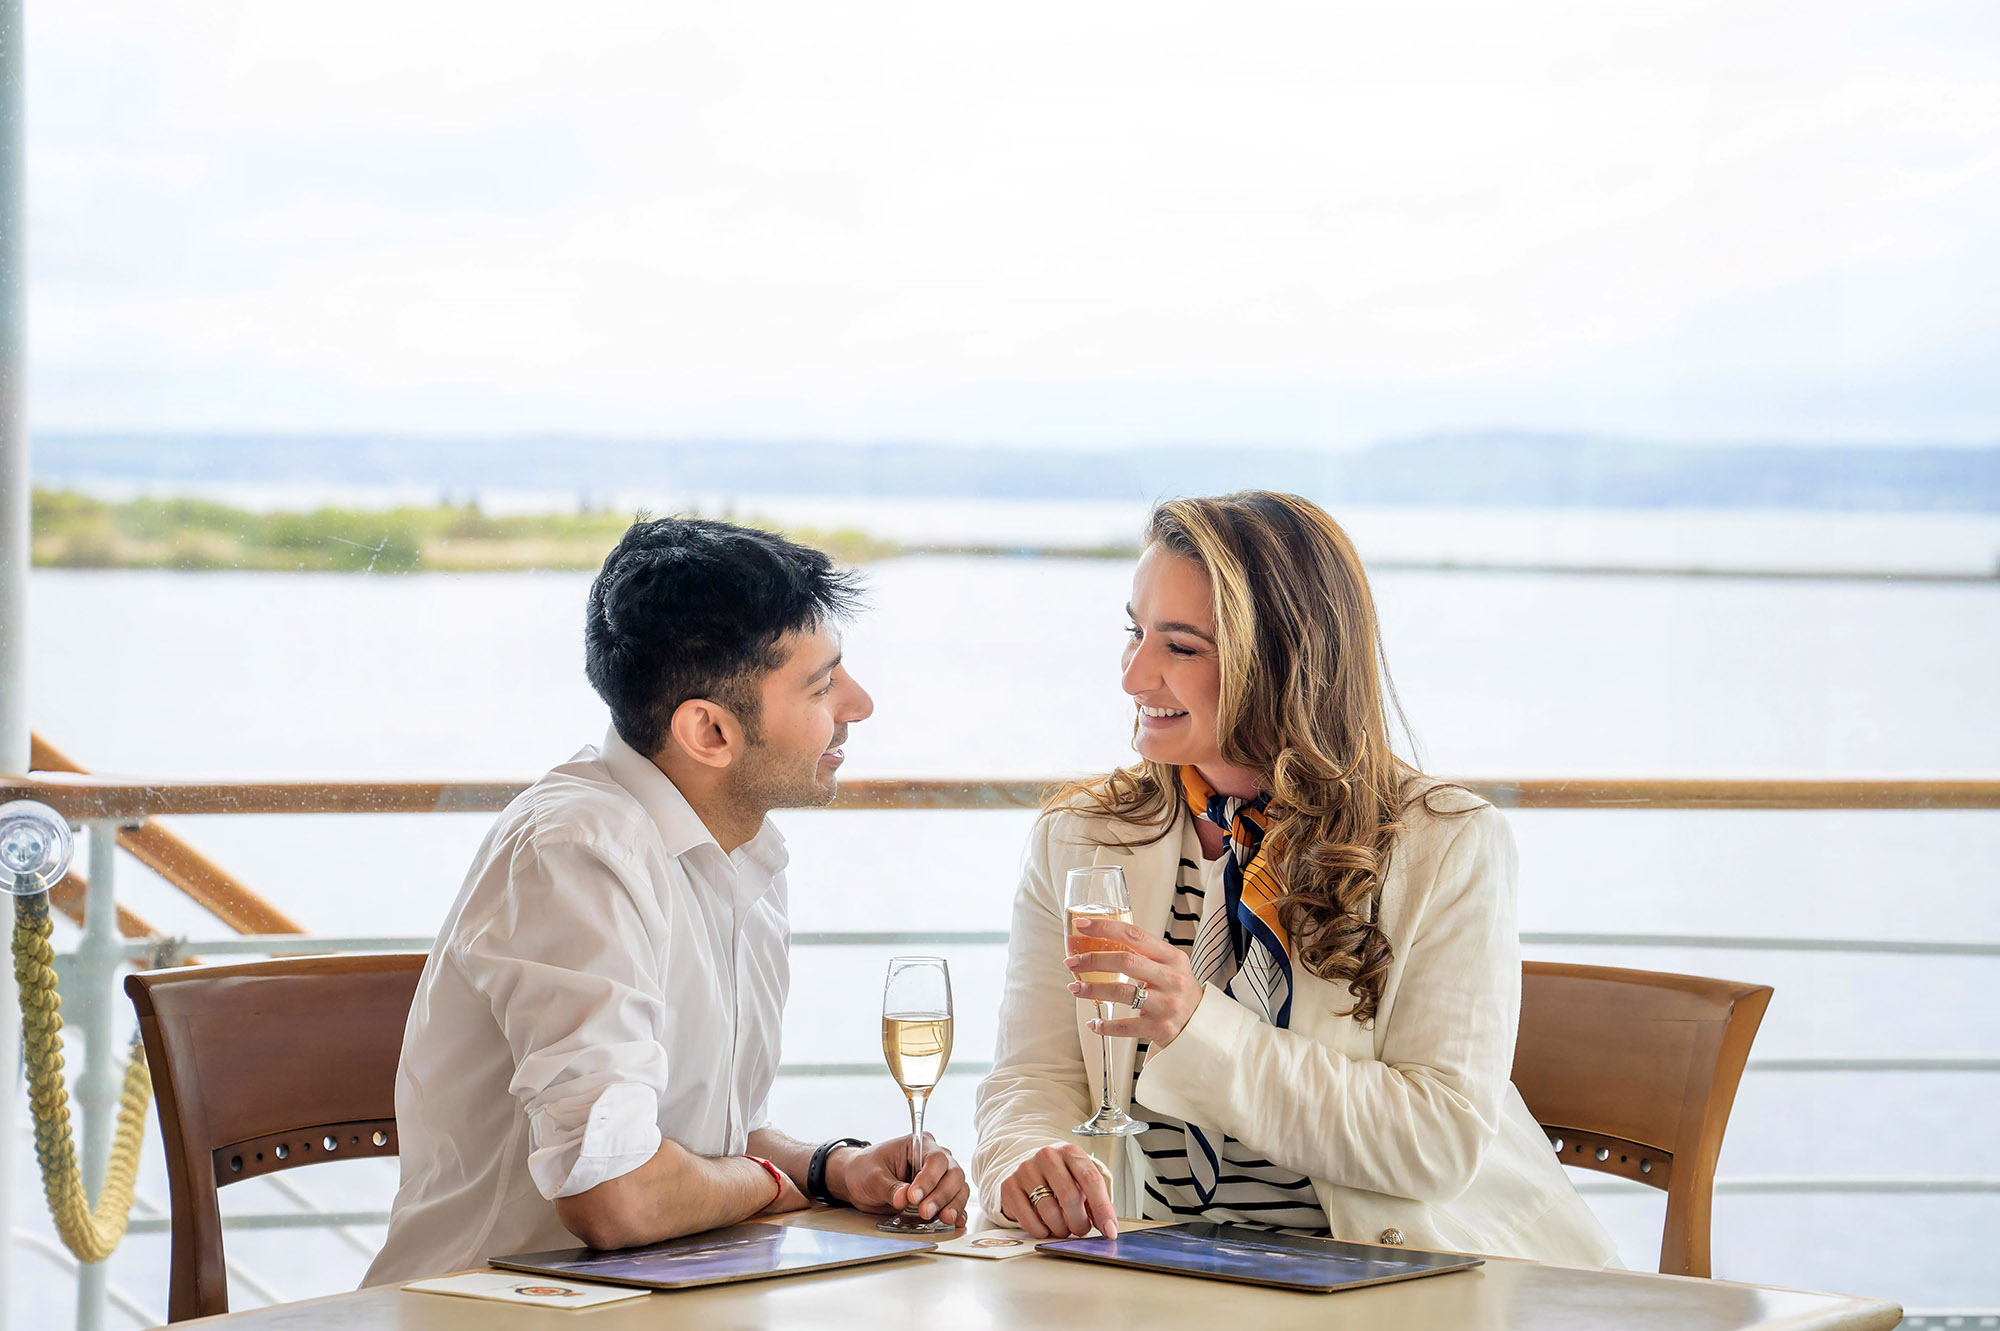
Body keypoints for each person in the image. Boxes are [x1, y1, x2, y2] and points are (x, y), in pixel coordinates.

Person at [971, 492, 1617, 1265]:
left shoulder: (1447, 842)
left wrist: (1196, 1025)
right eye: (1134, 634)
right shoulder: (1079, 837)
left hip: (1387, 1281)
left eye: (1179, 646)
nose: (1134, 676)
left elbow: (1435, 1142)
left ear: (1282, 660)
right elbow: (1031, 1078)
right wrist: (1028, 1159)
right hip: (1147, 1269)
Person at [366, 517, 968, 1284]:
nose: (860, 703)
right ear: (709, 730)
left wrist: (829, 1170)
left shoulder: (739, 850)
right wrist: (771, 1188)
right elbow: (615, 1194)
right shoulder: (577, 853)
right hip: (491, 1311)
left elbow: (696, 1138)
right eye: (822, 685)